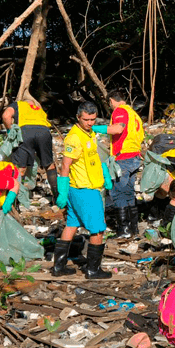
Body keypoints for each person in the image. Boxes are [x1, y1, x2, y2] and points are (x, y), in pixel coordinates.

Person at [53, 102, 113, 278]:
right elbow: (65, 165)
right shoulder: (74, 138)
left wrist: (105, 174)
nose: (90, 123)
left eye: (93, 119)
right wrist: (62, 191)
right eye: (86, 119)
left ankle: (59, 267)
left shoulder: (90, 133)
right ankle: (93, 269)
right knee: (98, 229)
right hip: (84, 190)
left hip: (81, 189)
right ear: (78, 117)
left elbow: (94, 157)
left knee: (72, 224)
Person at [92, 91, 145, 239]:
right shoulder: (134, 114)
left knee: (118, 193)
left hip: (123, 157)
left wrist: (94, 129)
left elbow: (118, 129)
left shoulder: (120, 111)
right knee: (128, 193)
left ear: (111, 100)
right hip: (134, 156)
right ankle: (133, 227)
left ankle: (123, 230)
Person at [1, 98, 58, 201]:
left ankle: (14, 201)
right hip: (44, 132)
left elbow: (6, 116)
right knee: (49, 165)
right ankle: (57, 197)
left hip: (25, 132)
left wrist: (10, 129)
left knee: (20, 169)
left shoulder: (18, 104)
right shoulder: (39, 110)